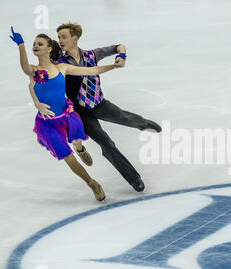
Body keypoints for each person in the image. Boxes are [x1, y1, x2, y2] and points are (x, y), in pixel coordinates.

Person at [10, 27, 122, 201]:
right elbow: (25, 68)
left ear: (49, 48)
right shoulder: (33, 71)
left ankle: (80, 148)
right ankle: (92, 183)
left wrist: (113, 66)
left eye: (40, 44)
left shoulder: (62, 67)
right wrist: (21, 45)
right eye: (34, 44)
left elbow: (92, 71)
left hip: (67, 115)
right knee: (67, 156)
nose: (35, 46)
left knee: (76, 139)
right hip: (47, 123)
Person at [54, 22, 161, 192]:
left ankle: (143, 124)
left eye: (64, 37)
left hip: (100, 104)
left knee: (124, 117)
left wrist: (122, 57)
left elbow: (119, 46)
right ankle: (134, 178)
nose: (60, 40)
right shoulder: (59, 63)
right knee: (107, 144)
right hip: (82, 112)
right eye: (59, 37)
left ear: (75, 38)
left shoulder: (92, 54)